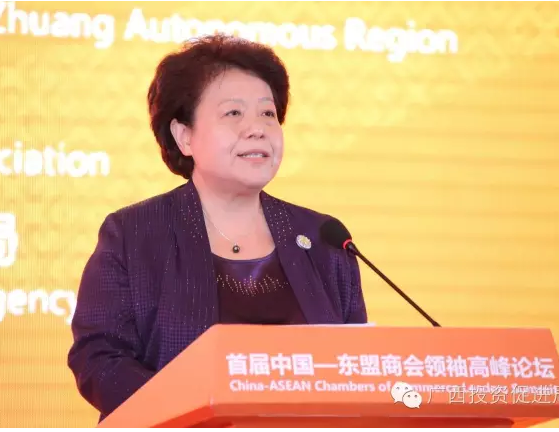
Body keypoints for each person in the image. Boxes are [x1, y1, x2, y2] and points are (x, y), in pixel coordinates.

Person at [67, 34, 368, 421]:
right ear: (184, 136)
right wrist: (188, 415)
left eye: (268, 114)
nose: (257, 128)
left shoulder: (325, 239)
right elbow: (99, 356)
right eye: (233, 113)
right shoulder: (133, 234)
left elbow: (358, 366)